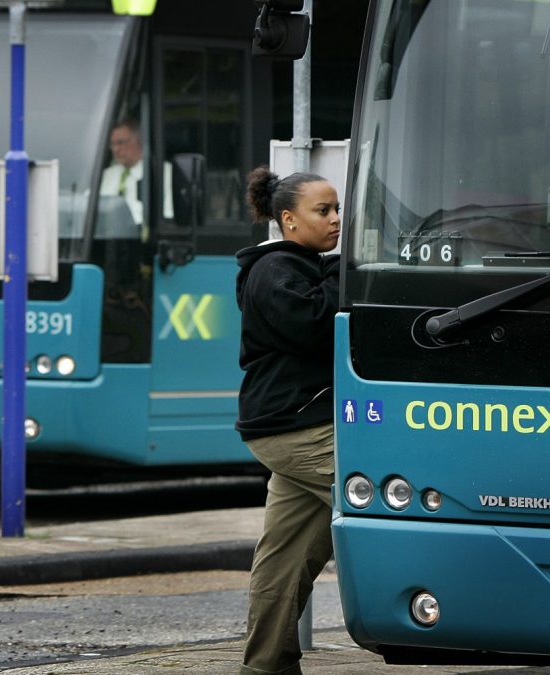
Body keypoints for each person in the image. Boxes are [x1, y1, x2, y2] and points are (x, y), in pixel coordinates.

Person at [235, 166, 342, 675]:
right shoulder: (276, 270)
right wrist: (353, 271)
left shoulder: (304, 266)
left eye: (337, 208)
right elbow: (317, 325)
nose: (336, 219)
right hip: (296, 428)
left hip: (292, 425)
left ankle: (266, 666)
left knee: (286, 556)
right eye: (323, 211)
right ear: (288, 220)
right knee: (397, 503)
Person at [99, 118, 173, 227]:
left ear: (140, 141)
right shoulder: (105, 175)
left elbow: (168, 216)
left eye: (121, 143)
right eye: (112, 144)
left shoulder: (165, 173)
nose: (115, 149)